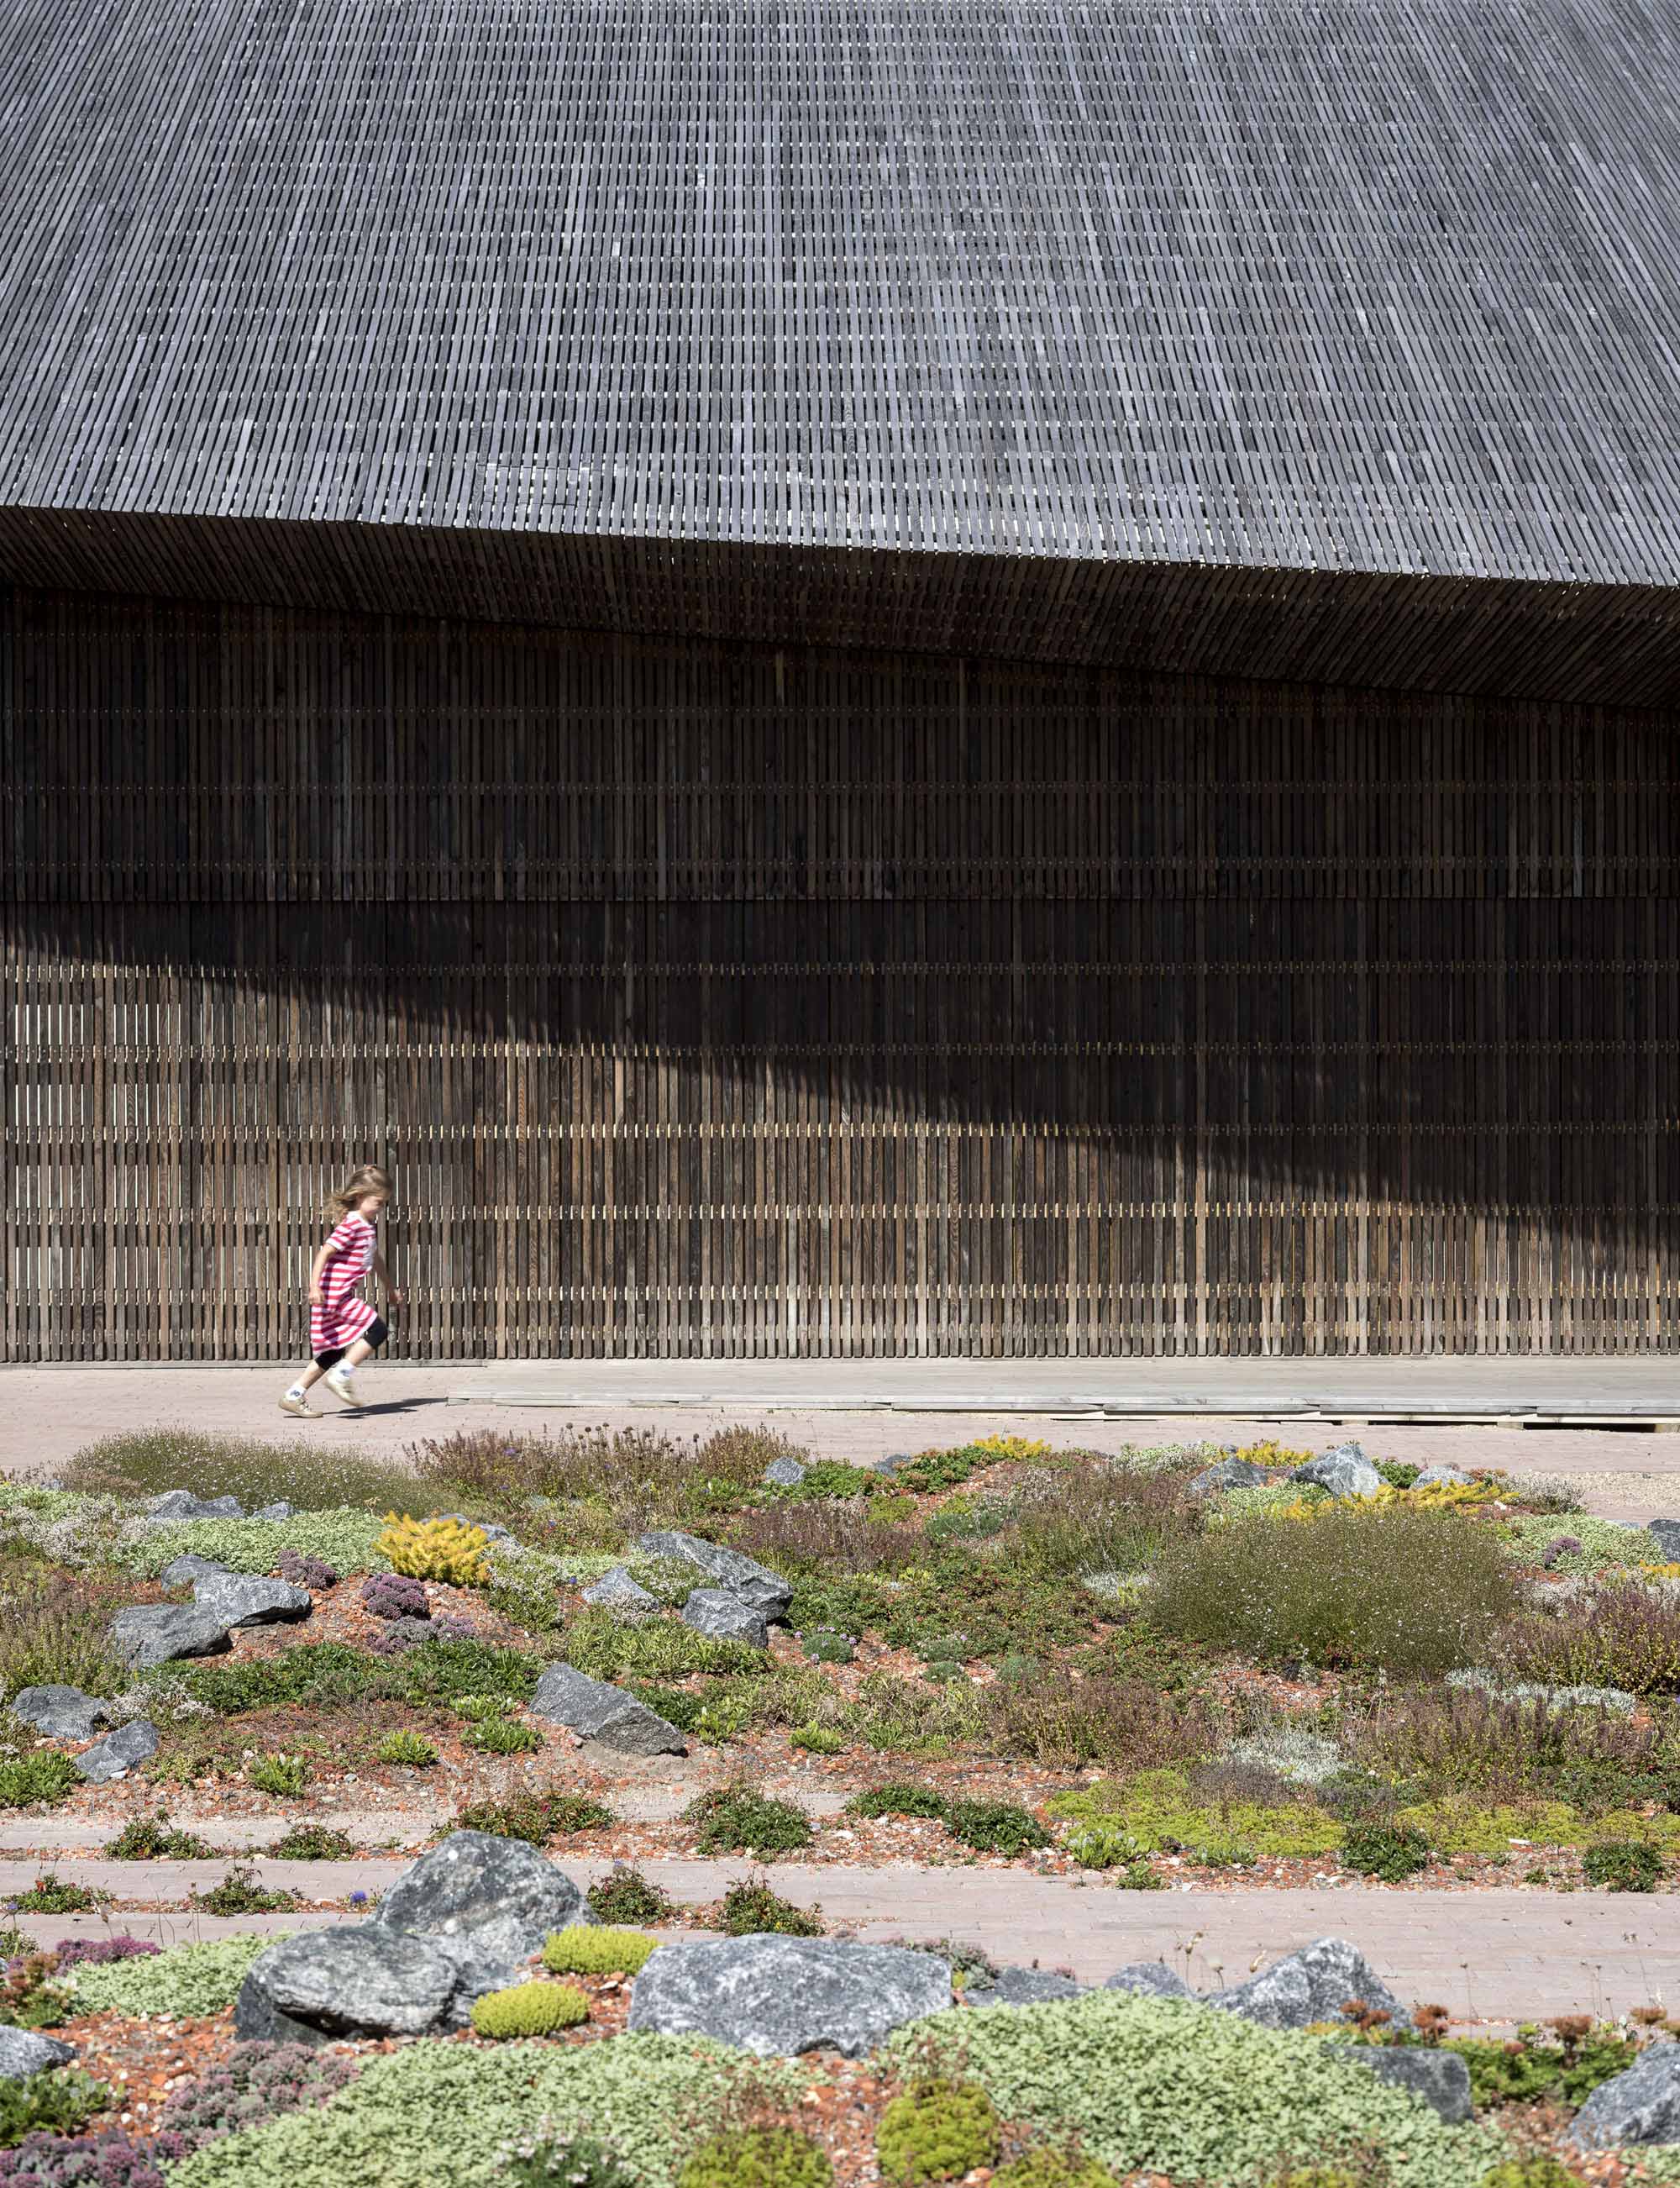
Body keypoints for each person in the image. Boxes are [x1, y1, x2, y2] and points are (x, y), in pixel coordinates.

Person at [278, 1165, 402, 1415]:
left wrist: (390, 1288)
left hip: (335, 1295)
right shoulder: (352, 1224)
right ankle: (341, 1376)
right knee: (377, 1329)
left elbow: (375, 1259)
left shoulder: (366, 1226)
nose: (380, 1208)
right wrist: (314, 1287)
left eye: (384, 1203)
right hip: (333, 1294)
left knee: (333, 1350)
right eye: (378, 1202)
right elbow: (325, 1252)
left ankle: (294, 1395)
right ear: (360, 1197)